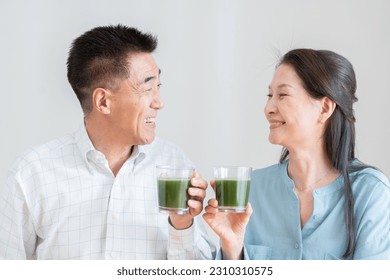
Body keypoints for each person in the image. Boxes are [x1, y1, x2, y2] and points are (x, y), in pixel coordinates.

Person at [0, 24, 215, 260]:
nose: (159, 102)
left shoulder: (174, 164)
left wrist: (182, 225)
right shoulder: (32, 173)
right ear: (103, 101)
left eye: (159, 87)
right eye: (147, 88)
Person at [203, 48, 390, 260]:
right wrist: (232, 247)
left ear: (324, 108)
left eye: (282, 95)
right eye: (269, 95)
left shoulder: (369, 193)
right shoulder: (250, 189)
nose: (268, 108)